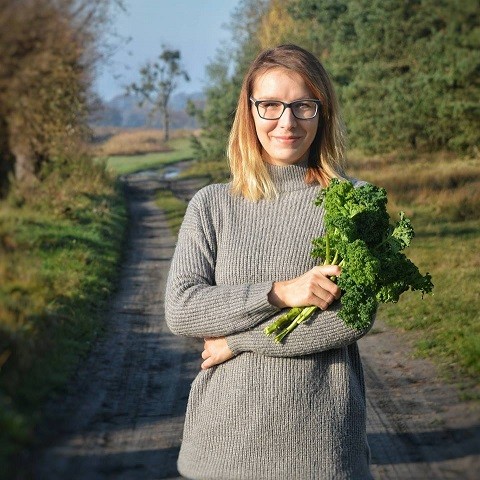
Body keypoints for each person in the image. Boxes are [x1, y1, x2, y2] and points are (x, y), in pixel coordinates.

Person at [165, 44, 374, 480]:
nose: (287, 121)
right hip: (219, 448)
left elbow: (350, 319)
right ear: (250, 111)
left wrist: (236, 341)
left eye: (303, 105)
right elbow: (182, 308)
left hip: (319, 451)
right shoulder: (212, 205)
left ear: (322, 112)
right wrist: (279, 293)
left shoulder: (353, 202)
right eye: (271, 105)